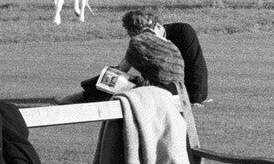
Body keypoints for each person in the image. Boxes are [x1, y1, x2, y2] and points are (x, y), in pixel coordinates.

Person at [58, 9, 209, 105]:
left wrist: (197, 98)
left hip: (173, 91)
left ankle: (83, 97)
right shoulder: (152, 41)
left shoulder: (181, 31)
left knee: (114, 79)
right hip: (168, 88)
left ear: (158, 26)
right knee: (118, 78)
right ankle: (85, 95)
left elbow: (197, 65)